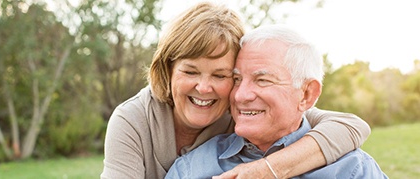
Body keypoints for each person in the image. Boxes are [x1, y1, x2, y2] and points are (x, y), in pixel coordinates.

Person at [101, 2, 371, 179]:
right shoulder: (134, 120)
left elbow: (350, 126)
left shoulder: (243, 111)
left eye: (222, 75)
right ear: (168, 70)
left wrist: (267, 170)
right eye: (190, 71)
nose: (204, 87)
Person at [166, 25, 387, 179]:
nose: (240, 95)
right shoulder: (190, 169)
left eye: (262, 80)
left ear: (307, 94)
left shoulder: (353, 170)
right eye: (236, 79)